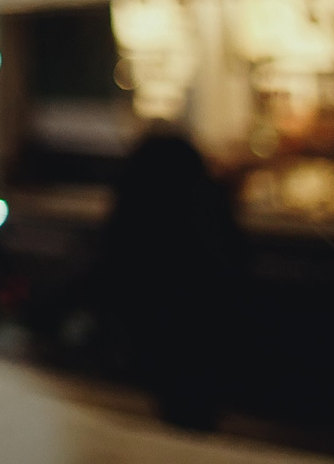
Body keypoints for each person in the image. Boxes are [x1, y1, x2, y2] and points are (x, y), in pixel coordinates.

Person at [93, 126, 241, 432]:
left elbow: (113, 264)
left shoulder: (138, 205)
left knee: (176, 407)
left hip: (157, 325)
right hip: (205, 326)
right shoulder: (207, 203)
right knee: (195, 410)